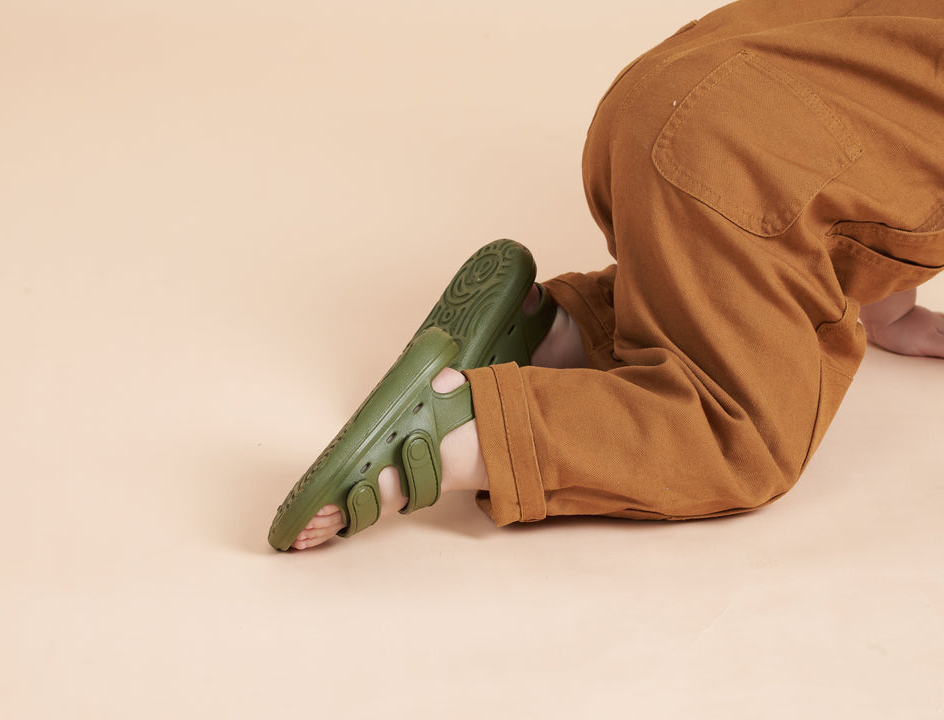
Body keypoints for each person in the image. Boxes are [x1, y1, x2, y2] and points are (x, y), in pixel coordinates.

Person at [268, 0, 944, 552]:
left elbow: (885, 134)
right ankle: (459, 435)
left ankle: (563, 329)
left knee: (718, 281)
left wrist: (890, 310)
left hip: (662, 94)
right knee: (741, 432)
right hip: (739, 164)